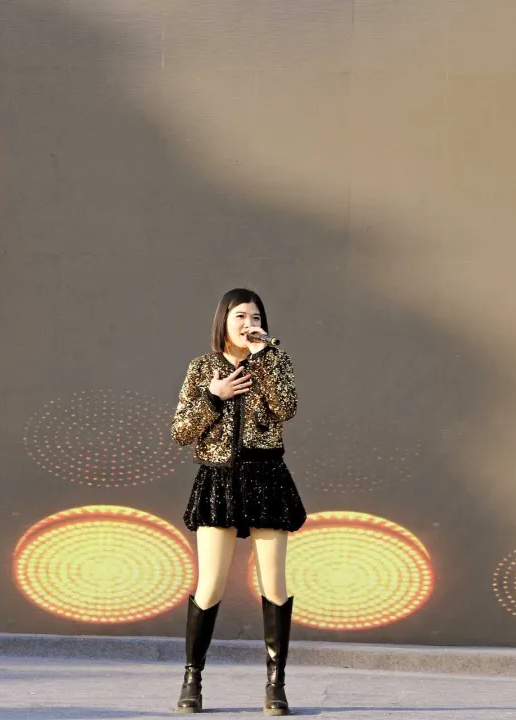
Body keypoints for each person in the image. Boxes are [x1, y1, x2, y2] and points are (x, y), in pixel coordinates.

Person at [170, 288, 306, 715]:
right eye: (241, 316)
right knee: (209, 585)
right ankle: (192, 679)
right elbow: (180, 431)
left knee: (274, 584)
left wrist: (265, 357)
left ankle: (275, 685)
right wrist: (215, 396)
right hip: (219, 479)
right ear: (224, 322)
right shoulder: (202, 367)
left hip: (267, 477)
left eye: (256, 316)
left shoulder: (275, 360)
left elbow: (286, 407)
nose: (249, 323)